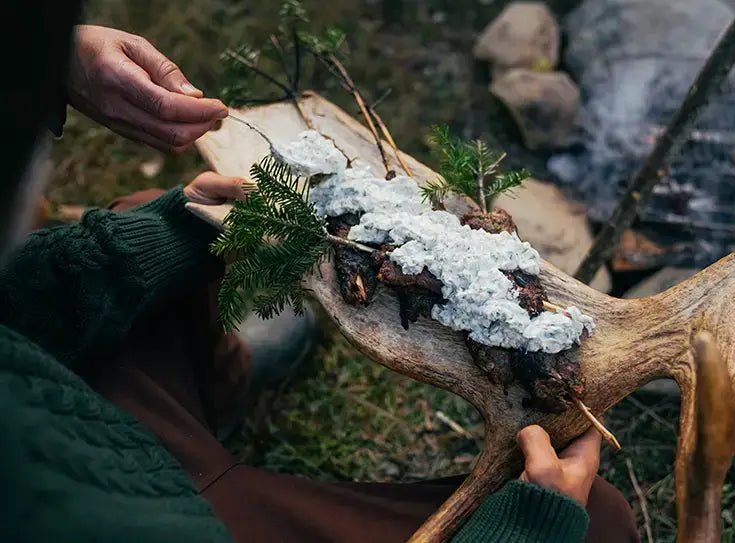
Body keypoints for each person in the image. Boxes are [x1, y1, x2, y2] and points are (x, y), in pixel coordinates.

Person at [0, 3, 640, 542]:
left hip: (62, 406)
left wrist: (170, 232)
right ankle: (209, 436)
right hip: (164, 512)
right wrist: (521, 531)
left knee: (153, 220)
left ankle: (212, 387)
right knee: (597, 523)